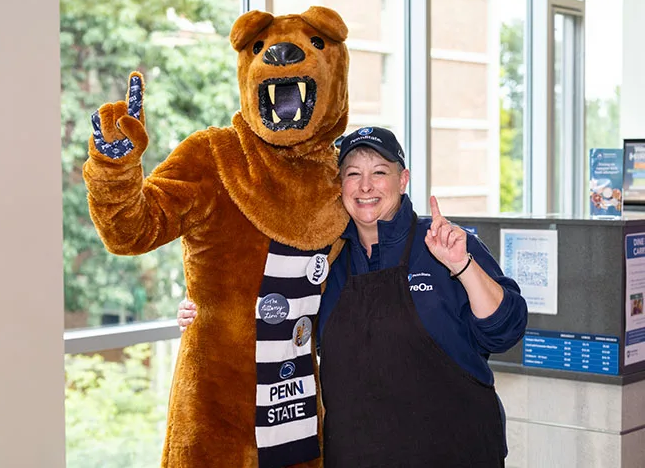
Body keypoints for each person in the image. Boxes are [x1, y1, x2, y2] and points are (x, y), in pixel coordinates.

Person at [179, 126, 528, 467]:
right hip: (357, 453)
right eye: (352, 173)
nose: (365, 186)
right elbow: (279, 324)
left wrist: (462, 266)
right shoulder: (327, 259)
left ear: (402, 180)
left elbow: (504, 332)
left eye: (379, 172)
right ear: (339, 184)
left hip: (456, 451)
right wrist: (210, 311)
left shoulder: (443, 243)